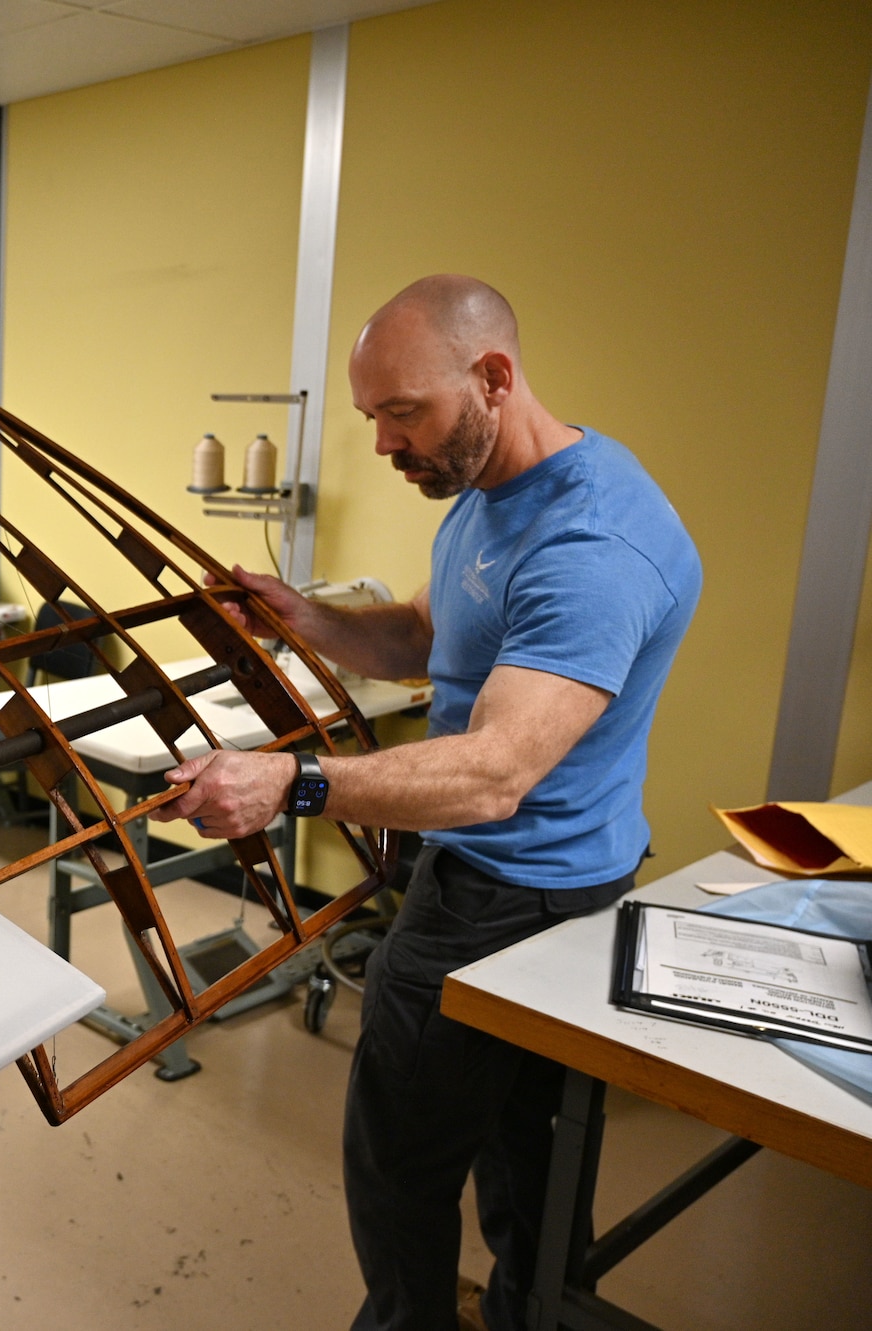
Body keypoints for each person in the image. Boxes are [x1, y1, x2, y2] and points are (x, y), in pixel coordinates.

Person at [153, 275, 701, 1331]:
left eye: (401, 413)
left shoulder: (589, 546)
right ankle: (520, 1310)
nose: (382, 445)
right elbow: (421, 633)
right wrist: (303, 617)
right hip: (523, 873)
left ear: (491, 377)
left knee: (404, 1149)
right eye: (371, 418)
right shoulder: (492, 495)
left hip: (510, 890)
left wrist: (288, 779)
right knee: (522, 1135)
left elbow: (494, 772)